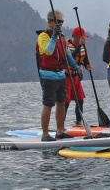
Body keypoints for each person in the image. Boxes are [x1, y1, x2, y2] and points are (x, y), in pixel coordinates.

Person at [35, 10, 79, 141]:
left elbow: (68, 54)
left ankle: (60, 132)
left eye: (61, 21)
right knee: (48, 104)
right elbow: (48, 51)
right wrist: (53, 36)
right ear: (49, 22)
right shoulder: (44, 36)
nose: (60, 24)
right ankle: (45, 134)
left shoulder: (62, 37)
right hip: (48, 75)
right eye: (57, 21)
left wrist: (76, 68)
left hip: (60, 75)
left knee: (61, 102)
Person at [64, 27, 92, 126]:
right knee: (66, 101)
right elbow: (70, 59)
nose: (83, 39)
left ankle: (78, 123)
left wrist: (87, 66)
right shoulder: (68, 46)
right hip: (67, 77)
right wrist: (79, 45)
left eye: (84, 37)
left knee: (80, 100)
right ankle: (61, 124)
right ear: (75, 37)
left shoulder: (83, 46)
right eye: (81, 37)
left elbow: (84, 60)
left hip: (76, 77)